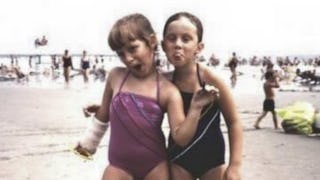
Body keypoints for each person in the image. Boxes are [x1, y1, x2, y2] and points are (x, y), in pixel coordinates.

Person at [73, 13, 215, 180]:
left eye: (133, 48)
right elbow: (104, 116)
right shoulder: (116, 76)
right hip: (119, 166)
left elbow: (180, 138)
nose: (128, 58)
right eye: (120, 53)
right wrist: (88, 145)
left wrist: (195, 108)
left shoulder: (167, 90)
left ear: (152, 41)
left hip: (155, 166)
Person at [161, 12, 242, 180]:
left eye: (186, 39)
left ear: (199, 47)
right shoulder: (163, 83)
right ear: (163, 45)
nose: (178, 44)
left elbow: (233, 122)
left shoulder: (212, 80)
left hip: (212, 158)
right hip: (178, 157)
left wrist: (234, 165)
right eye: (171, 38)